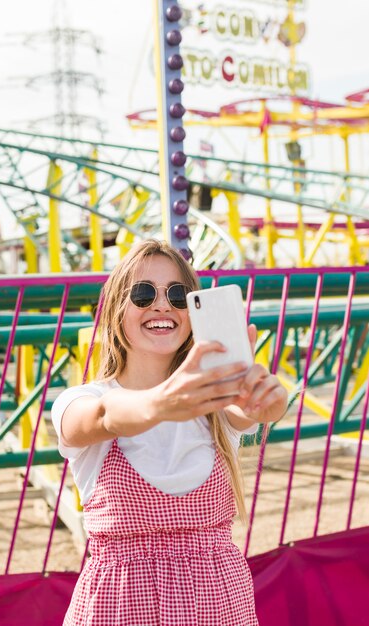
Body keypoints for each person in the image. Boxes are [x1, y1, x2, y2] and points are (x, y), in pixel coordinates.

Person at [51, 239, 288, 626]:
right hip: (121, 610)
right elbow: (102, 417)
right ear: (114, 309)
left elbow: (244, 411)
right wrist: (162, 402)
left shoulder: (214, 407)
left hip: (220, 608)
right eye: (143, 294)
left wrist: (268, 403)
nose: (162, 305)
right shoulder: (81, 399)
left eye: (179, 295)